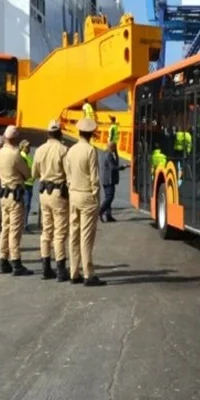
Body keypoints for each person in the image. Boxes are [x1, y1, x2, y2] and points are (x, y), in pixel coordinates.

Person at [64, 117, 105, 286]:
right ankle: (89, 273)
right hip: (87, 195)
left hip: (73, 194)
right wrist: (96, 197)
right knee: (86, 236)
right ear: (91, 134)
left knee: (74, 234)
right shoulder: (90, 150)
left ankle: (74, 271)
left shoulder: (71, 150)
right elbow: (94, 177)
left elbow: (67, 173)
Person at [31, 120, 70, 281]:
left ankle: (45, 267)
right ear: (60, 133)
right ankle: (61, 269)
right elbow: (69, 173)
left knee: (46, 230)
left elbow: (34, 173)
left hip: (44, 193)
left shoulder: (39, 150)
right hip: (58, 193)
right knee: (59, 232)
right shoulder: (63, 150)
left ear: (47, 133)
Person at [0, 125, 33, 276]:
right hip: (15, 195)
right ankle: (16, 262)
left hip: (4, 194)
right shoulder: (15, 154)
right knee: (15, 230)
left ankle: (3, 260)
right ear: (15, 138)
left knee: (5, 228)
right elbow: (27, 173)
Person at [100, 141, 127, 223]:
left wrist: (116, 153)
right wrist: (122, 167)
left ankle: (108, 216)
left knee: (108, 197)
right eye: (115, 147)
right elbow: (113, 167)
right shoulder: (109, 155)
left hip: (106, 179)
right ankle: (101, 211)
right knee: (110, 197)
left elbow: (115, 163)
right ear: (112, 147)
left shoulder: (104, 153)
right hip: (109, 180)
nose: (116, 149)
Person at [19, 139, 35, 233]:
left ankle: (24, 224)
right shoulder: (22, 157)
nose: (28, 148)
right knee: (25, 205)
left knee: (26, 205)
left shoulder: (27, 156)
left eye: (29, 146)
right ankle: (24, 225)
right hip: (25, 185)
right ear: (22, 147)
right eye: (26, 147)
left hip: (29, 183)